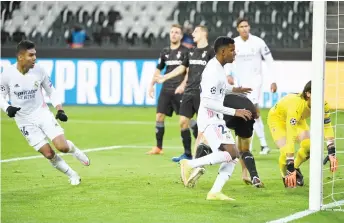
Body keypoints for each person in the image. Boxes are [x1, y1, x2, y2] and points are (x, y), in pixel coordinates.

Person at [0, 40, 90, 185]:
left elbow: (51, 91)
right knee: (48, 153)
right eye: (31, 55)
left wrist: (59, 109)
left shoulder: (39, 70)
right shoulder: (7, 75)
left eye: (35, 54)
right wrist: (7, 108)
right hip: (23, 120)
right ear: (20, 57)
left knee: (62, 147)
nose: (34, 58)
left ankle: (74, 150)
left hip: (41, 113)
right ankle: (72, 175)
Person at [179, 36, 253, 201]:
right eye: (232, 50)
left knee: (232, 157)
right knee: (231, 153)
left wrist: (235, 89)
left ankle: (215, 192)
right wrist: (235, 112)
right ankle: (190, 164)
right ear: (223, 51)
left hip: (216, 118)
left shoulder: (219, 67)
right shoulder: (212, 70)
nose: (235, 53)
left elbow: (221, 87)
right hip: (210, 118)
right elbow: (207, 102)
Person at [157, 25, 215, 162]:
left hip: (203, 94)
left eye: (195, 31)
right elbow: (182, 68)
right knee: (183, 122)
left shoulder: (211, 51)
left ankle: (210, 152)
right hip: (189, 92)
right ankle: (187, 154)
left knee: (204, 127)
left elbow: (217, 71)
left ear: (203, 33)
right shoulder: (191, 51)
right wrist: (165, 77)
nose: (193, 34)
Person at [267, 81, 338, 188]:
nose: (321, 96)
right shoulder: (296, 105)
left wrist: (331, 151)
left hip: (298, 119)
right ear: (308, 94)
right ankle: (286, 174)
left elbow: (327, 126)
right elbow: (291, 137)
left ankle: (295, 168)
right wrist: (289, 166)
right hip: (277, 119)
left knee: (310, 146)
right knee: (286, 150)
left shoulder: (323, 104)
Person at [187, 93, 264, 189]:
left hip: (229, 110)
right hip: (249, 111)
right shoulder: (243, 97)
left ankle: (197, 166)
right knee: (244, 149)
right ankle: (254, 177)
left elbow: (200, 136)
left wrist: (195, 157)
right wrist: (244, 173)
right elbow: (256, 112)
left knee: (207, 141)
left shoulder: (211, 104)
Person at [226, 18, 277, 155]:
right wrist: (228, 74)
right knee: (246, 113)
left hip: (255, 82)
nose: (244, 28)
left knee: (252, 110)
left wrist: (273, 80)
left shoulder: (258, 42)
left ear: (249, 27)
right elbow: (228, 61)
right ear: (238, 29)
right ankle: (260, 145)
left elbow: (269, 60)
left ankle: (255, 145)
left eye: (246, 26)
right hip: (239, 83)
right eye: (241, 26)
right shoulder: (234, 43)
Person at [146, 24, 191, 155]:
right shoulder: (165, 51)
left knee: (187, 120)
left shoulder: (185, 52)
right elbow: (158, 69)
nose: (174, 34)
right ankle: (158, 147)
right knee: (159, 116)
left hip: (179, 90)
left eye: (177, 32)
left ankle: (194, 148)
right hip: (166, 89)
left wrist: (183, 85)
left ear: (181, 36)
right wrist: (151, 85)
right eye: (172, 32)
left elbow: (188, 71)